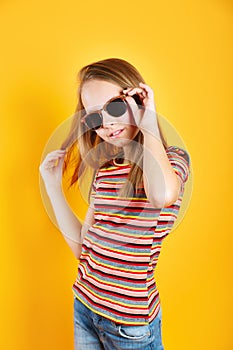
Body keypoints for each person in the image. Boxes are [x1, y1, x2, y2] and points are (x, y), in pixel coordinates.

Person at [39, 58, 190, 350]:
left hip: (128, 322)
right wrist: (53, 188)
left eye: (115, 107)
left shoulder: (173, 160)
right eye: (94, 117)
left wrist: (147, 123)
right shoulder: (105, 170)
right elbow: (86, 250)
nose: (106, 124)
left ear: (138, 99)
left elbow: (161, 196)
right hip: (85, 306)